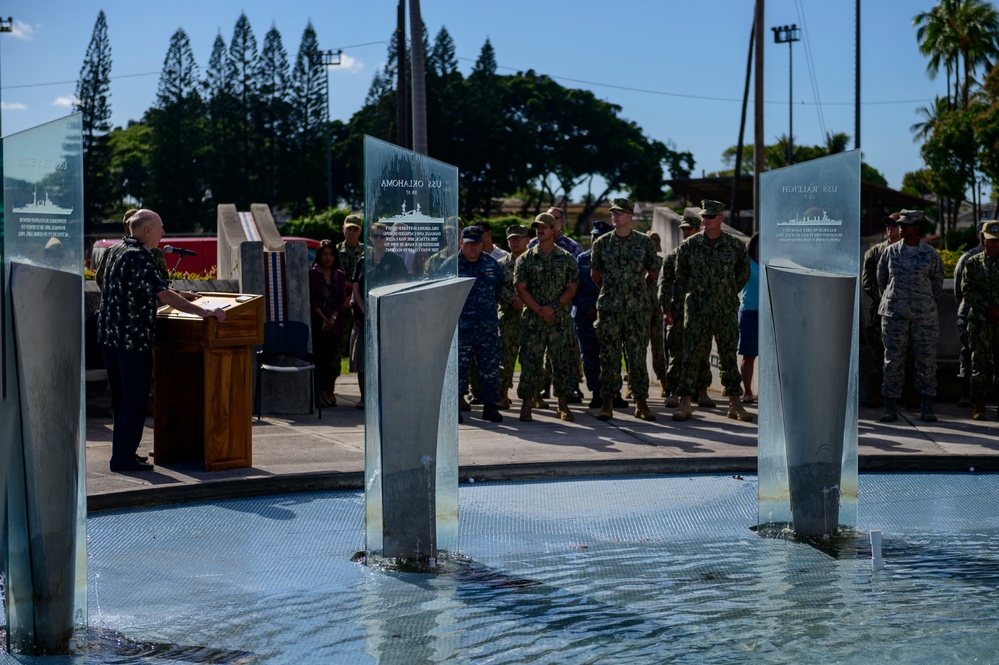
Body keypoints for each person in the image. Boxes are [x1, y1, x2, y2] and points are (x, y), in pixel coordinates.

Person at [98, 210, 226, 473]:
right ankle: (123, 459)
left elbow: (147, 286)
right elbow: (162, 294)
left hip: (111, 337)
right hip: (132, 340)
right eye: (160, 228)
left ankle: (123, 453)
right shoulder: (140, 254)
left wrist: (184, 295)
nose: (163, 233)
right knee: (134, 399)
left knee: (122, 400)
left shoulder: (117, 249)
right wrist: (204, 312)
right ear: (147, 231)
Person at [671, 199, 751, 422]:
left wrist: (725, 292)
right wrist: (696, 295)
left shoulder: (734, 246)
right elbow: (681, 275)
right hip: (696, 309)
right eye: (703, 216)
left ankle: (734, 402)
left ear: (721, 219)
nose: (705, 220)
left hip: (725, 310)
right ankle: (685, 402)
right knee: (690, 356)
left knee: (727, 356)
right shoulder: (689, 246)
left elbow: (743, 275)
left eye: (710, 216)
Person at [590, 197, 660, 421]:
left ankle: (641, 403)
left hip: (637, 310)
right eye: (613, 212)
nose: (615, 216)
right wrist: (612, 292)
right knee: (609, 357)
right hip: (609, 309)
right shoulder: (601, 243)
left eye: (620, 213)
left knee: (637, 357)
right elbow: (595, 275)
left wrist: (636, 290)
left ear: (630, 216)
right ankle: (607, 402)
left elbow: (653, 272)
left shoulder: (644, 242)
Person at [876, 209, 944, 423]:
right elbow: (882, 279)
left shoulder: (930, 254)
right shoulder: (890, 252)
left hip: (923, 317)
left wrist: (921, 302)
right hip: (894, 315)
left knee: (926, 361)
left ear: (917, 228)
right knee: (892, 361)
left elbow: (937, 283)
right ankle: (890, 406)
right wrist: (895, 300)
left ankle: (926, 406)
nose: (901, 227)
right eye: (900, 224)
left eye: (906, 224)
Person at [515, 213, 578, 422]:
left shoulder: (566, 258)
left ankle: (562, 404)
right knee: (530, 362)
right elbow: (521, 288)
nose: (539, 230)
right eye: (537, 227)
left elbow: (572, 287)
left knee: (560, 362)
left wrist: (552, 307)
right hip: (533, 321)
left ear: (554, 229)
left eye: (544, 227)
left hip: (559, 320)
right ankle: (526, 404)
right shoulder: (525, 258)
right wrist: (539, 309)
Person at [445, 226, 504, 423]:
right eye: (469, 243)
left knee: (490, 368)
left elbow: (499, 290)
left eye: (477, 243)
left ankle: (490, 407)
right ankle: (456, 407)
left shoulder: (492, 264)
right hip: (460, 327)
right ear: (461, 243)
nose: (473, 247)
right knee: (458, 368)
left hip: (486, 326)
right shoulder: (450, 265)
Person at [350, 222, 409, 409]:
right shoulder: (363, 260)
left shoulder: (395, 260)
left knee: (388, 359)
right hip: (364, 318)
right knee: (362, 359)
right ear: (370, 238)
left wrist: (387, 308)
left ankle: (388, 396)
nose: (379, 239)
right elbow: (356, 288)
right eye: (375, 236)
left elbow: (401, 286)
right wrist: (365, 309)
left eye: (383, 236)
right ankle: (364, 397)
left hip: (388, 317)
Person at [659, 208, 711, 408]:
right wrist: (665, 309)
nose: (686, 233)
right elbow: (663, 286)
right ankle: (673, 393)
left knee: (702, 353)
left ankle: (702, 392)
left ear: (699, 230)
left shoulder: (707, 256)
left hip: (701, 312)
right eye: (683, 230)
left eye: (690, 229)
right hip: (678, 312)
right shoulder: (673, 256)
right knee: (675, 354)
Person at [861, 213, 902, 407]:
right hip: (880, 310)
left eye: (894, 224)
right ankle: (878, 392)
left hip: (905, 310)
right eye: (888, 224)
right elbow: (867, 282)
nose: (890, 228)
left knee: (908, 353)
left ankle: (908, 392)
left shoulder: (909, 251)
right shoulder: (874, 252)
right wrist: (884, 300)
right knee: (879, 354)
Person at [961, 220, 999, 420]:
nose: (995, 244)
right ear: (983, 239)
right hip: (980, 321)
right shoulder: (972, 263)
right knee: (979, 364)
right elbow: (968, 291)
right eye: (991, 240)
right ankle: (979, 405)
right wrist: (989, 308)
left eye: (998, 241)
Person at [573, 220, 612, 408]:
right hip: (585, 316)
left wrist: (603, 309)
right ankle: (596, 392)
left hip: (609, 315)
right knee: (589, 356)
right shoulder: (581, 260)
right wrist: (587, 308)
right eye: (594, 235)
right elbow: (574, 288)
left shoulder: (614, 259)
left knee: (611, 356)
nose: (596, 239)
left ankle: (613, 393)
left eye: (600, 236)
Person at [309, 240, 347, 407]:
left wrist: (333, 317)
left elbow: (340, 300)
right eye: (324, 254)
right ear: (319, 255)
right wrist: (324, 318)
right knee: (319, 359)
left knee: (331, 361)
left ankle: (327, 392)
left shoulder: (340, 275)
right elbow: (312, 299)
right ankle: (318, 394)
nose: (328, 257)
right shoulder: (313, 274)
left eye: (331, 254)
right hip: (318, 323)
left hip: (334, 324)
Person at [497, 224, 531, 409]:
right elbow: (497, 287)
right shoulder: (500, 265)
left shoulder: (533, 261)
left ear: (527, 240)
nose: (515, 241)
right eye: (511, 238)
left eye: (519, 238)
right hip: (508, 317)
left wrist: (526, 302)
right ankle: (502, 394)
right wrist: (512, 300)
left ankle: (531, 395)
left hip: (530, 318)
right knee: (505, 359)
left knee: (531, 358)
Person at [954, 220, 985, 407]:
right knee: (968, 354)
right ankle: (965, 393)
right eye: (983, 233)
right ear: (977, 235)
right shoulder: (968, 258)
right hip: (969, 314)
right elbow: (958, 288)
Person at [645, 231, 667, 397]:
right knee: (636, 349)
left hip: (658, 313)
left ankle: (664, 382)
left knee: (659, 349)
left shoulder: (663, 263)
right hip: (640, 311)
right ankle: (633, 384)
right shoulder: (637, 263)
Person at [739, 233, 760, 403]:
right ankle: (747, 391)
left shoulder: (772, 263)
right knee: (749, 355)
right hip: (749, 312)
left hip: (769, 313)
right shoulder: (746, 264)